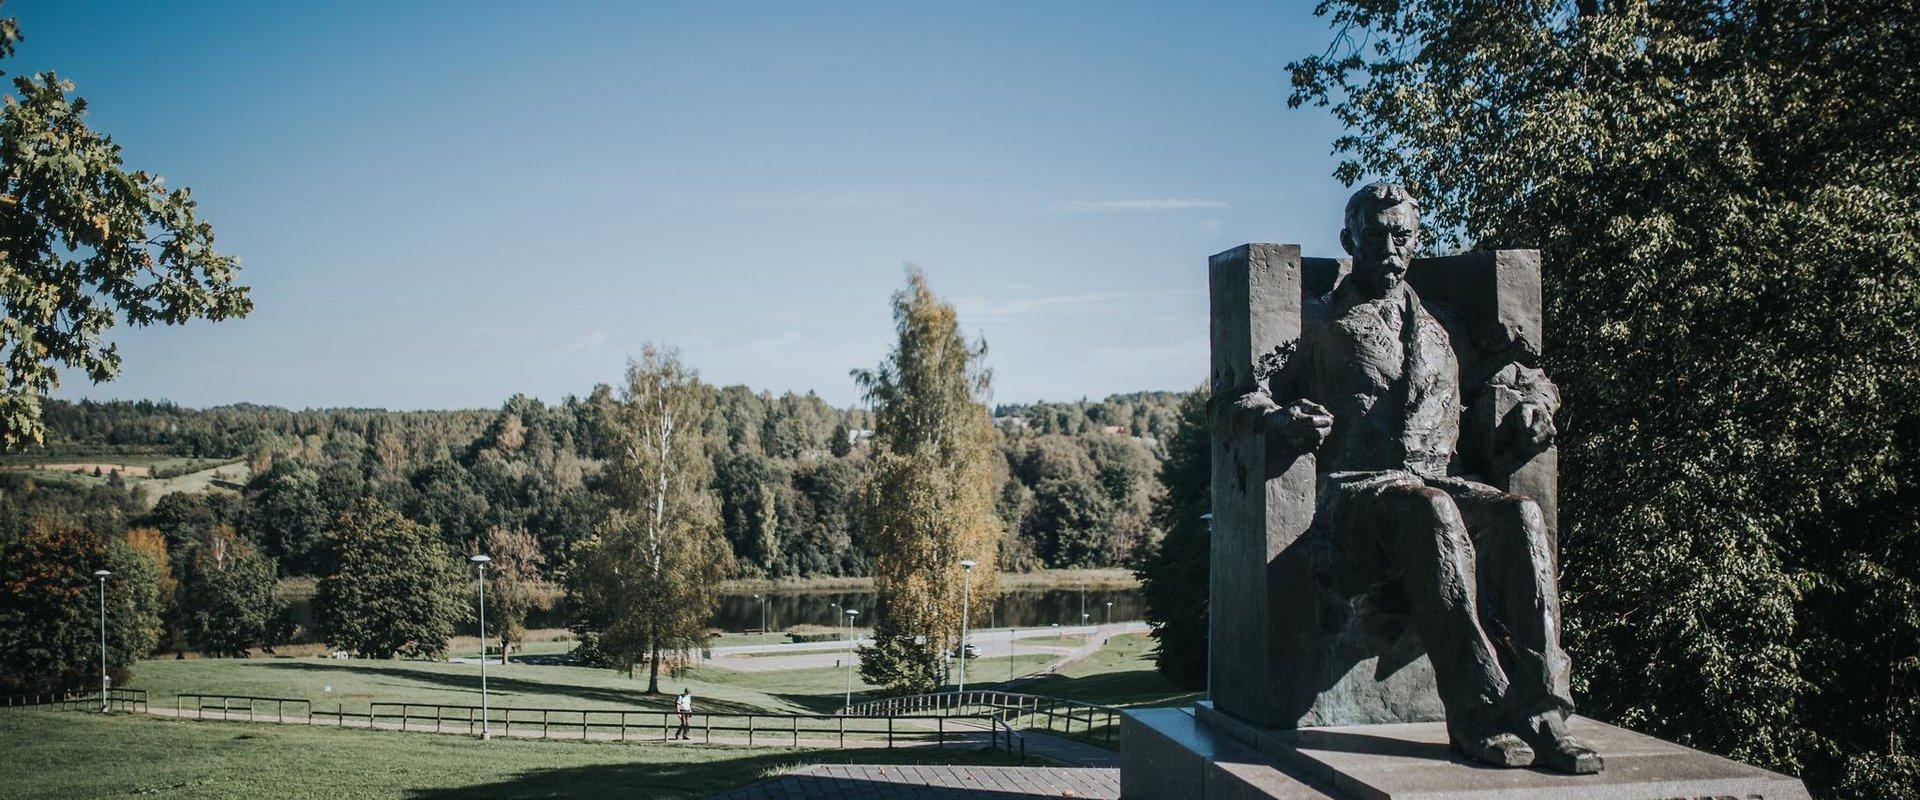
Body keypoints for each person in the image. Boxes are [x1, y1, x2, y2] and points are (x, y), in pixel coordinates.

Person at [1223, 182, 1599, 774]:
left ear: (1417, 242)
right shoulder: (1318, 322)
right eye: (1376, 236)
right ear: (1350, 241)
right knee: (1431, 511)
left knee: (1519, 516)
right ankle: (1478, 711)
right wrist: (1278, 417)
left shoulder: (1441, 326)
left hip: (1434, 484)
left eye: (1402, 236)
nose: (1390, 249)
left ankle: (1542, 707)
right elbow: (1235, 401)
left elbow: (1525, 373)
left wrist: (1536, 405)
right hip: (1352, 499)